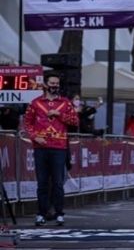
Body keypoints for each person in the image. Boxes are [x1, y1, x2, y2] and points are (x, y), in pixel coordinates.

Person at [23, 71, 79, 226]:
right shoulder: (35, 103)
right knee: (42, 183)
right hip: (40, 147)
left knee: (58, 182)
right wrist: (35, 136)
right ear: (46, 84)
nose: (55, 86)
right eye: (52, 83)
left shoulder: (66, 103)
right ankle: (41, 213)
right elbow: (27, 123)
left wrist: (59, 114)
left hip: (59, 147)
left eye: (57, 83)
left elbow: (75, 121)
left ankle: (59, 213)